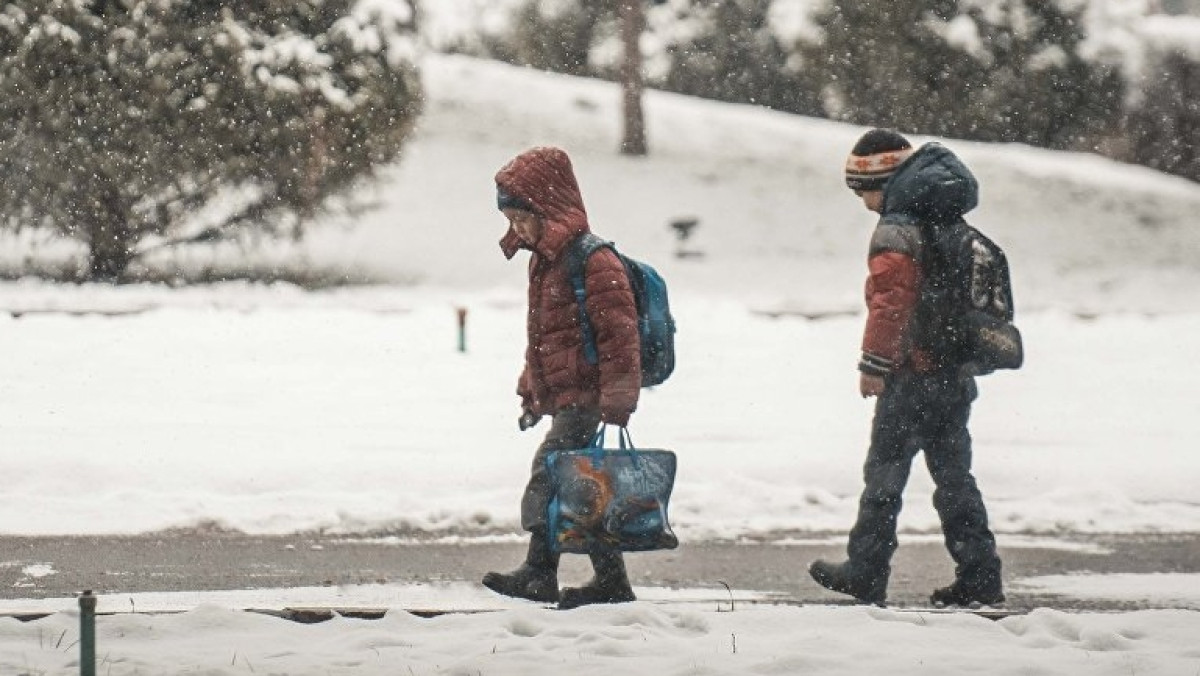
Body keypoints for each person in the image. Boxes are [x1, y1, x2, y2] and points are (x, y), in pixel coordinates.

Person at [808, 129, 1005, 608]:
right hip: (952, 372)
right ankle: (980, 575)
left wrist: (874, 364)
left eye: (863, 190)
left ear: (883, 179)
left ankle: (866, 570)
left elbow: (891, 303)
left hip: (912, 373)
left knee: (884, 474)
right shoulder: (947, 216)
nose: (863, 202)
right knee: (955, 478)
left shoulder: (898, 227)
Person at [481, 146, 642, 610]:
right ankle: (608, 581)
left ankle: (539, 571)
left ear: (548, 211)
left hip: (590, 396)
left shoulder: (594, 261)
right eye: (510, 221)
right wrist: (533, 389)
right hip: (570, 394)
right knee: (580, 485)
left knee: (552, 475)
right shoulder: (546, 261)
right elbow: (545, 337)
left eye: (521, 219)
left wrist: (617, 397)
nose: (517, 230)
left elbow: (620, 336)